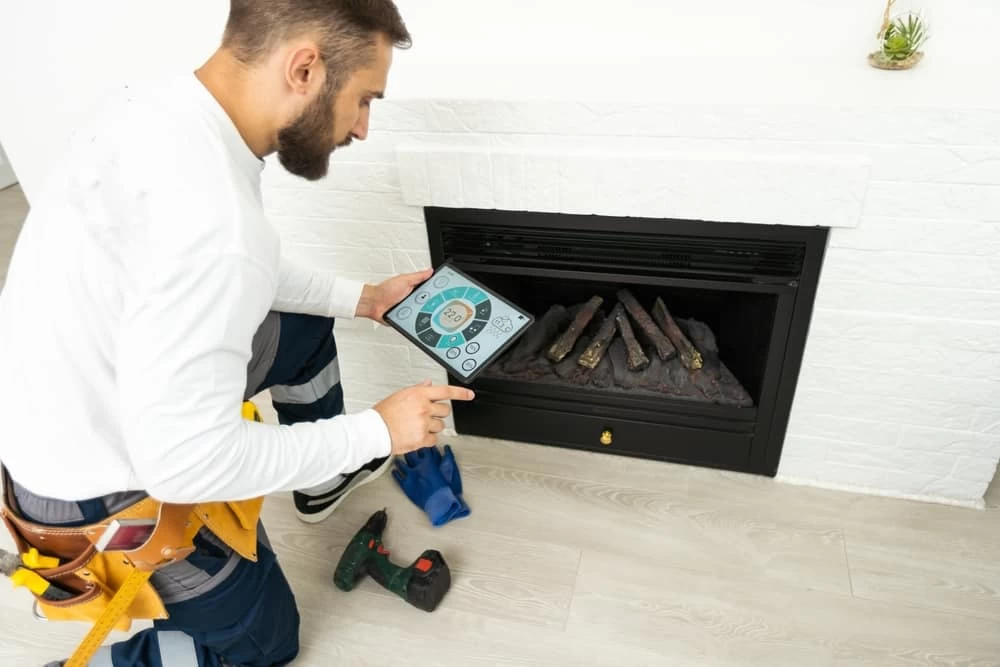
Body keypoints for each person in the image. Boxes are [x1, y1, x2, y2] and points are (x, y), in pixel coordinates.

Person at [0, 1, 474, 664]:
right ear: (305, 68)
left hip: (83, 397)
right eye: (364, 99)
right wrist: (377, 432)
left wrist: (361, 299)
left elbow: (240, 272)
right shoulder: (217, 225)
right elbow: (185, 461)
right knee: (264, 642)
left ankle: (324, 482)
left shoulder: (162, 109)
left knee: (305, 330)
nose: (364, 128)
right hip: (92, 489)